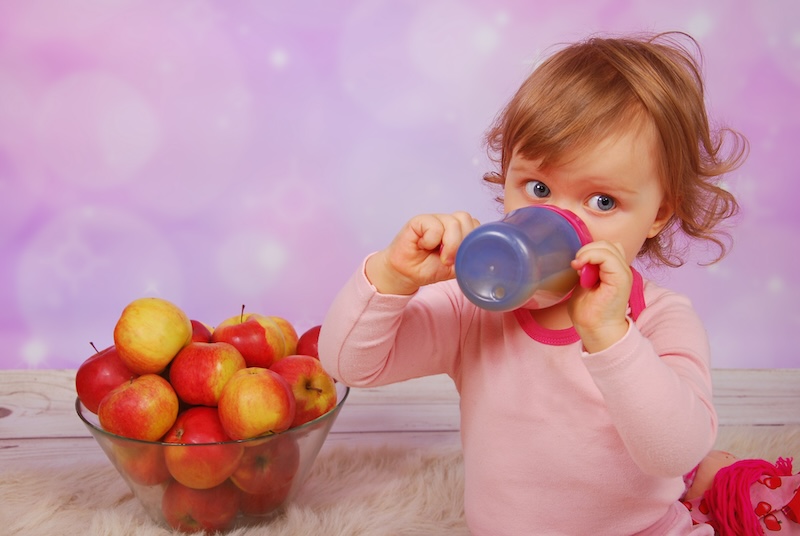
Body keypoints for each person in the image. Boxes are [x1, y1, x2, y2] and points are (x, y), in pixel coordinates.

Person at [319, 31, 748, 535]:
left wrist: (612, 338)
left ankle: (713, 484)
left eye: (603, 202)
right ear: (505, 180)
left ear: (658, 214)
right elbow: (348, 364)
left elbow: (672, 450)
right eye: (538, 188)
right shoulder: (475, 307)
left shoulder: (659, 318)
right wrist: (392, 276)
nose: (560, 220)